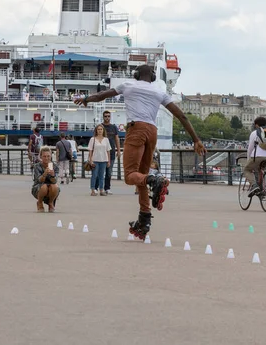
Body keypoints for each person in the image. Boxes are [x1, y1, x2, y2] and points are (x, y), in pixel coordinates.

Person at [74, 64, 206, 240]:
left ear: (136, 75)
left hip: (136, 129)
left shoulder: (128, 85)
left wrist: (85, 99)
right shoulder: (159, 91)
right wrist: (196, 139)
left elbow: (101, 96)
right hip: (152, 131)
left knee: (130, 176)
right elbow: (182, 116)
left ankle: (154, 179)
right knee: (140, 176)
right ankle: (144, 219)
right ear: (152, 76)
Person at [244, 117, 266, 197]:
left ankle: (254, 185)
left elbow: (250, 148)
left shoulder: (255, 133)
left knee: (247, 169)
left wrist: (248, 159)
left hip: (258, 156)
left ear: (257, 125)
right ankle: (263, 189)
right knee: (261, 170)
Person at [97, 110, 121, 194]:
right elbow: (95, 138)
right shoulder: (100, 126)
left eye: (108, 116)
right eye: (105, 116)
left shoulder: (114, 127)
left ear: (110, 117)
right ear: (103, 117)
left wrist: (118, 150)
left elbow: (117, 139)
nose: (107, 118)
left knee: (109, 172)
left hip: (111, 153)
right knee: (99, 171)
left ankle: (107, 188)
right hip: (101, 152)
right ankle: (97, 188)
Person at [31, 146, 60, 212]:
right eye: (44, 156)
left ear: (51, 156)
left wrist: (52, 175)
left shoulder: (55, 167)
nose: (46, 158)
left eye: (48, 156)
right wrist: (44, 174)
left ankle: (51, 203)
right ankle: (40, 202)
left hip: (51, 187)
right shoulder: (37, 166)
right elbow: (39, 180)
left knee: (55, 186)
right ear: (40, 157)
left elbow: (55, 181)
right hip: (39, 187)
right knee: (44, 187)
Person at [88, 124, 111, 196]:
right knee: (94, 175)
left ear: (103, 130)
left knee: (101, 176)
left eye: (101, 129)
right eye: (98, 129)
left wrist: (108, 161)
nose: (100, 131)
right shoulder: (93, 139)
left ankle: (101, 190)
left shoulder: (106, 139)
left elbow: (108, 150)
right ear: (96, 131)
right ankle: (93, 190)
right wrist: (90, 160)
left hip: (103, 160)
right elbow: (90, 151)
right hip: (95, 160)